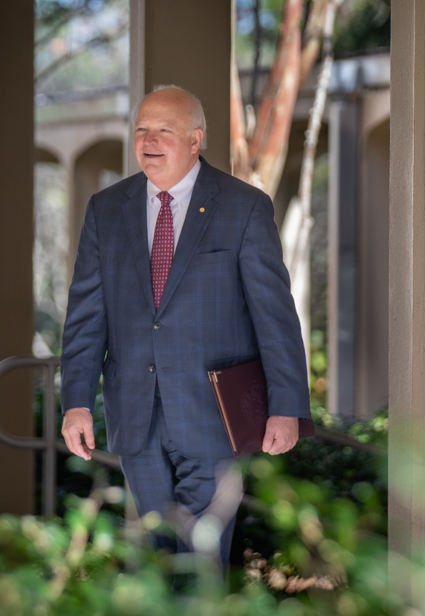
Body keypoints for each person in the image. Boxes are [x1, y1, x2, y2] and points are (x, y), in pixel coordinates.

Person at [59, 85, 309, 567]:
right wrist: (76, 402)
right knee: (155, 557)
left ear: (195, 139)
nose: (149, 140)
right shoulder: (106, 209)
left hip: (214, 416)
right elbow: (86, 316)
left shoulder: (243, 207)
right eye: (141, 130)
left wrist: (287, 407)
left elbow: (274, 316)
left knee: (202, 558)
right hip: (136, 415)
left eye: (164, 130)